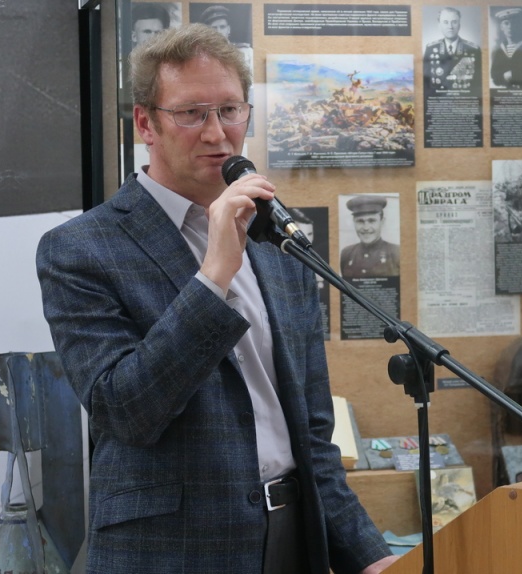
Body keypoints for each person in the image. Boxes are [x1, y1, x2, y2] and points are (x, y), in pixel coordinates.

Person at [37, 24, 398, 574]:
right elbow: (124, 410)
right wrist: (214, 276)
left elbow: (313, 435)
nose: (216, 133)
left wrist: (370, 556)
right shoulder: (80, 248)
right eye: (191, 113)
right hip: (172, 552)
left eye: (230, 110)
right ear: (145, 124)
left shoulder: (279, 242)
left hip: (293, 536)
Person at [422, 7, 481, 96]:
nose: (450, 26)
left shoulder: (473, 50)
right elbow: (425, 83)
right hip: (438, 100)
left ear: (459, 25)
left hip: (463, 100)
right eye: (446, 22)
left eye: (454, 22)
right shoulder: (430, 49)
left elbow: (478, 84)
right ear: (439, 25)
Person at [340, 196, 401, 278]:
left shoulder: (397, 252)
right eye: (360, 221)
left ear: (382, 222)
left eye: (372, 221)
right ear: (354, 222)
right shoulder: (346, 254)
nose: (366, 228)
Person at [199, 4, 254, 74]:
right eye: (214, 28)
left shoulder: (247, 53)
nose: (219, 31)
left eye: (222, 27)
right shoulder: (201, 55)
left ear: (228, 29)